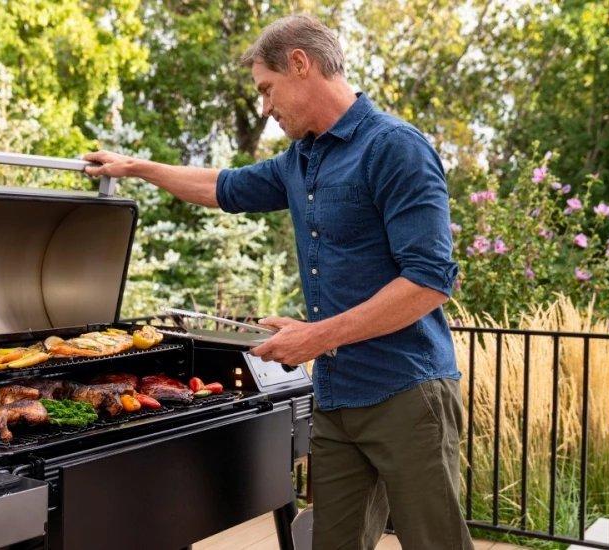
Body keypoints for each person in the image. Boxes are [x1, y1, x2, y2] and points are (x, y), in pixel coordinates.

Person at [84, 14, 473, 550]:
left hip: (408, 393)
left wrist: (318, 336)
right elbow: (220, 188)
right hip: (338, 398)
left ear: (300, 63)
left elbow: (429, 282)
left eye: (267, 90)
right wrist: (134, 167)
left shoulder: (394, 148)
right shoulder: (300, 160)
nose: (265, 107)